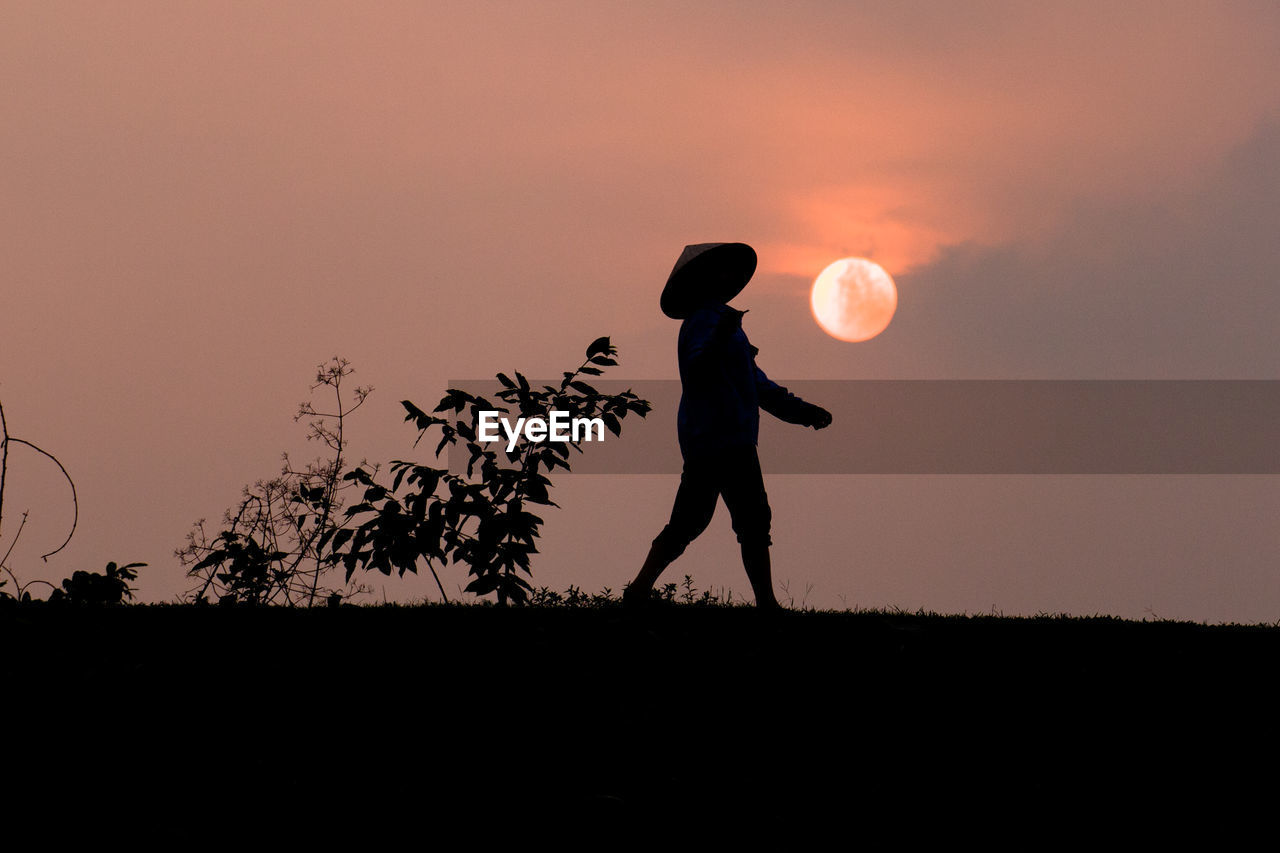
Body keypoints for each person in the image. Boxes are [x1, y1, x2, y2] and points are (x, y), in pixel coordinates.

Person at [625, 242, 832, 610]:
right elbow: (698, 369)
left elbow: (757, 385)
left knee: (700, 521)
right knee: (742, 520)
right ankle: (765, 603)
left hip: (721, 437)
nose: (732, 277)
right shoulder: (706, 321)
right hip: (718, 437)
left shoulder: (724, 325)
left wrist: (803, 412)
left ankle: (640, 589)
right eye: (724, 271)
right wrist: (722, 336)